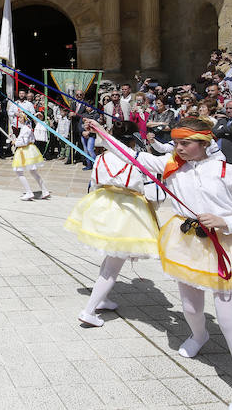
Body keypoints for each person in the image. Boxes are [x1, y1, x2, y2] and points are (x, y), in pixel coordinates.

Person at [88, 116, 232, 410]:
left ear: (205, 143)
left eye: (185, 143)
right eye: (175, 142)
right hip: (186, 243)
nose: (178, 148)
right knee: (190, 307)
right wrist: (100, 131)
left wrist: (225, 220)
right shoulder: (171, 166)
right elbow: (132, 155)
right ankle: (199, 335)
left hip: (226, 245)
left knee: (228, 319)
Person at [65, 121, 159, 327]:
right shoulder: (139, 160)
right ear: (132, 140)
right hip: (128, 211)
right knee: (113, 267)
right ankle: (89, 311)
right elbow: (151, 192)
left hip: (104, 205)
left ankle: (103, 299)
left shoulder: (101, 157)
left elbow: (94, 183)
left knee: (110, 256)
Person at [10, 116, 49, 200]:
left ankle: (29, 192)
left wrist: (15, 142)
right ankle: (45, 190)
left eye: (20, 117)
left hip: (25, 151)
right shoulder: (27, 128)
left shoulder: (25, 129)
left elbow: (24, 142)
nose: (18, 119)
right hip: (28, 150)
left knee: (19, 171)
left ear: (24, 119)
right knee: (33, 172)